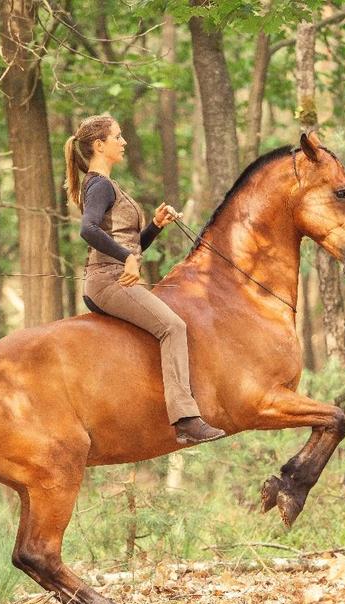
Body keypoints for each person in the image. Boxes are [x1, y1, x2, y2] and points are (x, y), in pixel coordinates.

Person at [64, 114, 226, 445]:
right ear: (99, 145)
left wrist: (154, 225)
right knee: (174, 326)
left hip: (116, 276)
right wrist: (127, 259)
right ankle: (184, 418)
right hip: (108, 281)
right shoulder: (98, 185)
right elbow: (88, 229)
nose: (123, 143)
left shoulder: (107, 184)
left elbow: (129, 244)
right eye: (118, 137)